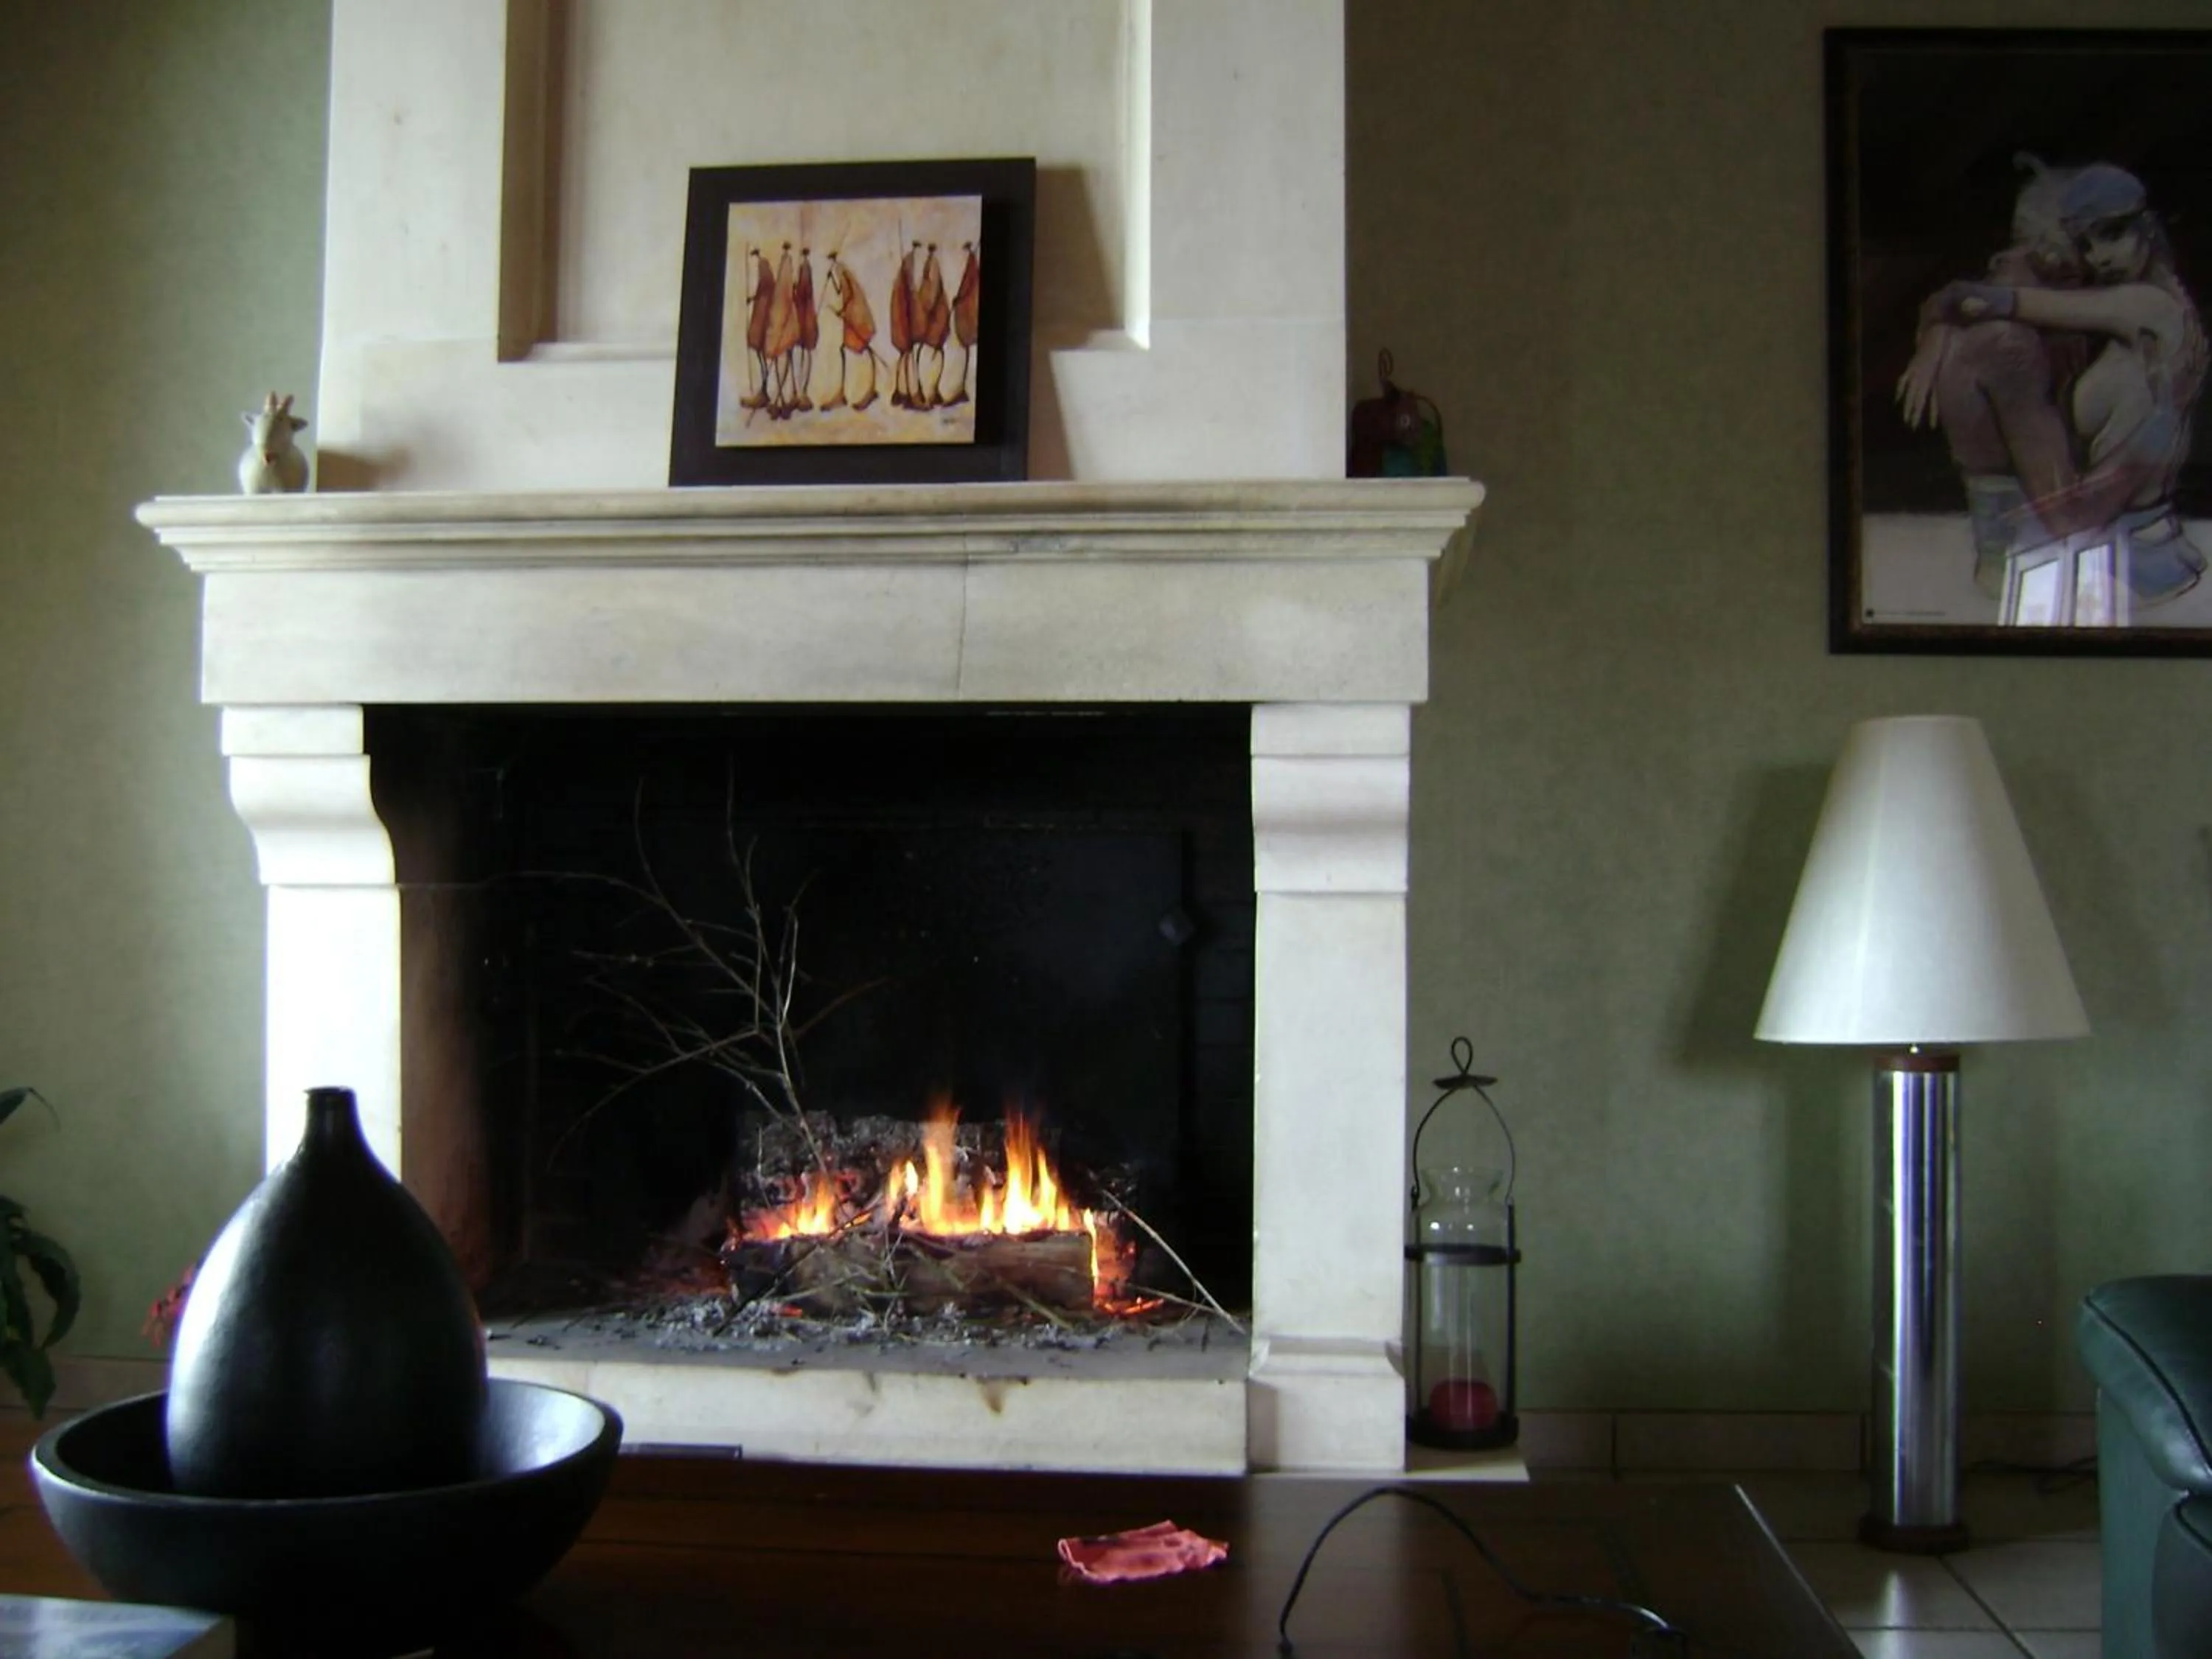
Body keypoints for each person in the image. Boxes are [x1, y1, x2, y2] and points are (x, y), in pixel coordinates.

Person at [1899, 158, 2206, 605]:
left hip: (2125, 558)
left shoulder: (2148, 309)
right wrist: (1938, 336)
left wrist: (2165, 418)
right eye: (2086, 243)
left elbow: (1986, 300)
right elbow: (1977, 299)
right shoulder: (2133, 315)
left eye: (2112, 234)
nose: (2099, 257)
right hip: (2138, 552)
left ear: (2147, 227)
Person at [944, 240, 980, 408]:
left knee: (961, 352)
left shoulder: (972, 268)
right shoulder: (969, 267)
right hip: (964, 318)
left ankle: (959, 391)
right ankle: (958, 391)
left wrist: (959, 300)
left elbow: (969, 289)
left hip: (966, 319)